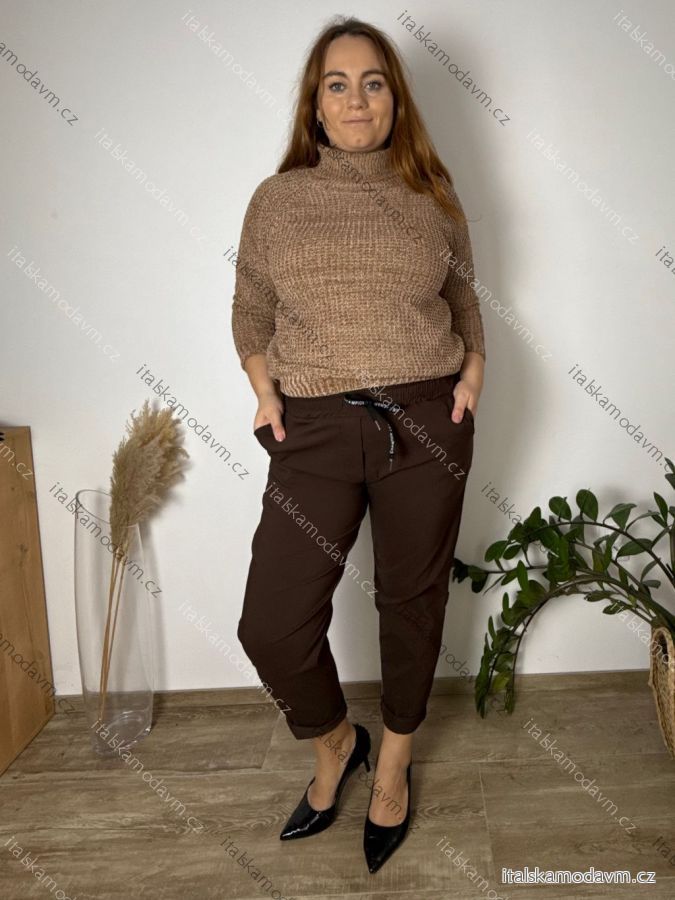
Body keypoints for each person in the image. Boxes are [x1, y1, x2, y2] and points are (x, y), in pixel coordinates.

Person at [231, 16, 486, 874]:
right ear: (315, 103)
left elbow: (465, 300)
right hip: (314, 427)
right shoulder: (277, 200)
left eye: (372, 82)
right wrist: (264, 390)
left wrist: (472, 375)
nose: (355, 99)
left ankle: (395, 764)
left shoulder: (432, 194)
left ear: (394, 98)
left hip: (427, 419)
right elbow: (250, 309)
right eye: (336, 84)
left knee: (410, 605)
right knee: (271, 624)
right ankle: (338, 741)